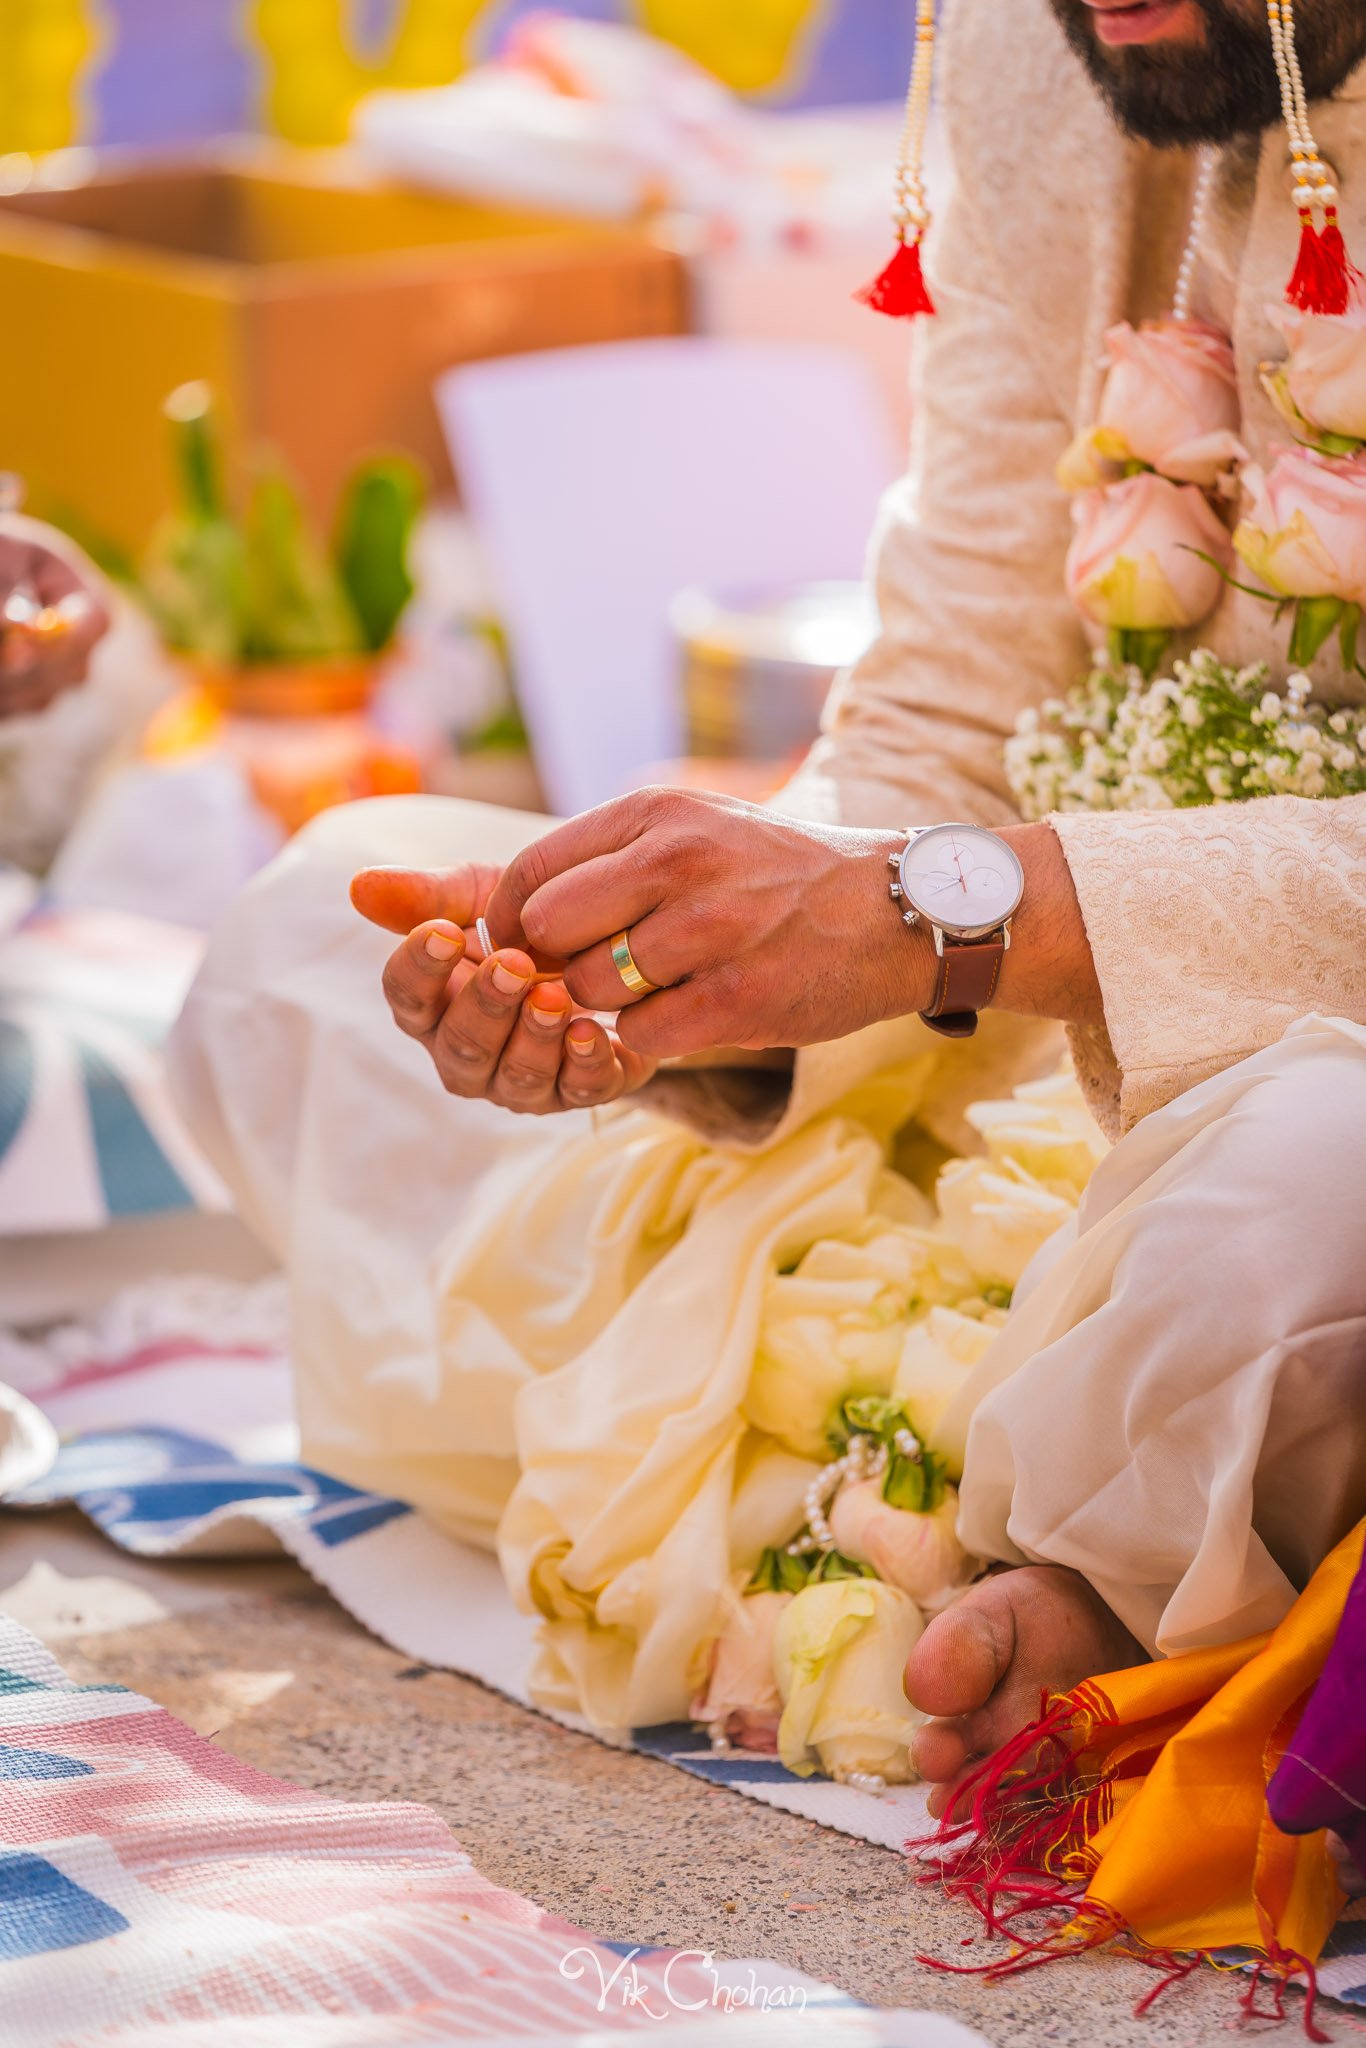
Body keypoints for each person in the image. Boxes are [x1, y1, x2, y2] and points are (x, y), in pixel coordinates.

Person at [173, 0, 1366, 1846]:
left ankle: (1084, 1551)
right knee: (291, 950)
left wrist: (946, 919)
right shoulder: (1044, 36)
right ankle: (1061, 1515)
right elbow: (957, 679)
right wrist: (684, 976)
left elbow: (954, 895)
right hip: (1026, 1022)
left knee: (1306, 1180)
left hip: (1278, 1070)